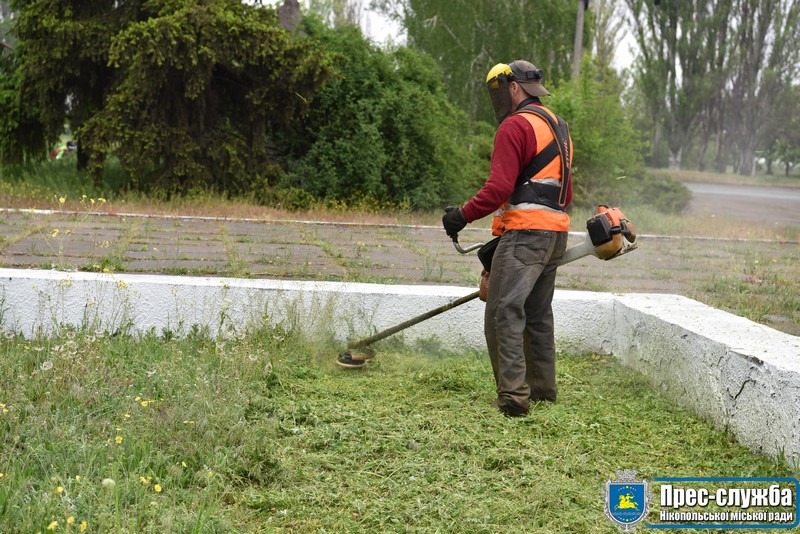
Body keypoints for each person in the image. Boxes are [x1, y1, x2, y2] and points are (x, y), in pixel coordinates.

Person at [442, 60, 574, 417]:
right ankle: (543, 391)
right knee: (536, 314)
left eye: (499, 90)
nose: (498, 98)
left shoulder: (514, 126)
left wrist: (460, 216)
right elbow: (563, 192)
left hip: (527, 235)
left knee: (502, 314)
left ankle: (515, 399)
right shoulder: (557, 126)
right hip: (554, 234)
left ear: (514, 87)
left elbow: (498, 188)